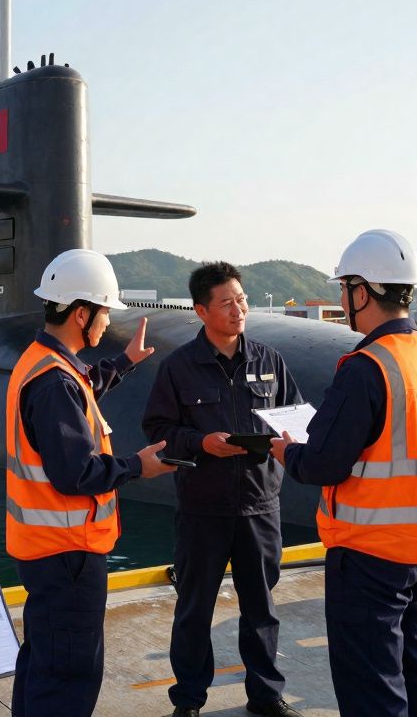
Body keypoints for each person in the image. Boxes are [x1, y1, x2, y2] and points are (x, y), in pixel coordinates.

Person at [271, 230, 417, 717]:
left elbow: (322, 464)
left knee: (372, 687)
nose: (341, 300)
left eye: (343, 289)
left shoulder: (366, 367)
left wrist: (286, 453)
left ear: (362, 291)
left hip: (370, 553)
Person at [7, 248, 178, 717]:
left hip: (47, 551)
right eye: (104, 312)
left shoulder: (44, 364)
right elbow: (75, 473)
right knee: (68, 677)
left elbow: (77, 394)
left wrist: (124, 362)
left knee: (43, 665)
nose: (107, 322)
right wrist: (138, 465)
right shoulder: (52, 381)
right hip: (68, 555)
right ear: (81, 313)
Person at [142, 262, 304, 717]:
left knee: (261, 608)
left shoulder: (269, 361)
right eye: (227, 302)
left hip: (259, 506)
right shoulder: (179, 368)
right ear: (201, 311)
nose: (239, 310)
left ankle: (266, 694)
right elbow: (157, 429)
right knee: (194, 609)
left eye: (242, 299)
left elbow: (295, 414)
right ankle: (190, 699)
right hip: (202, 509)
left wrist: (290, 441)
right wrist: (202, 443)